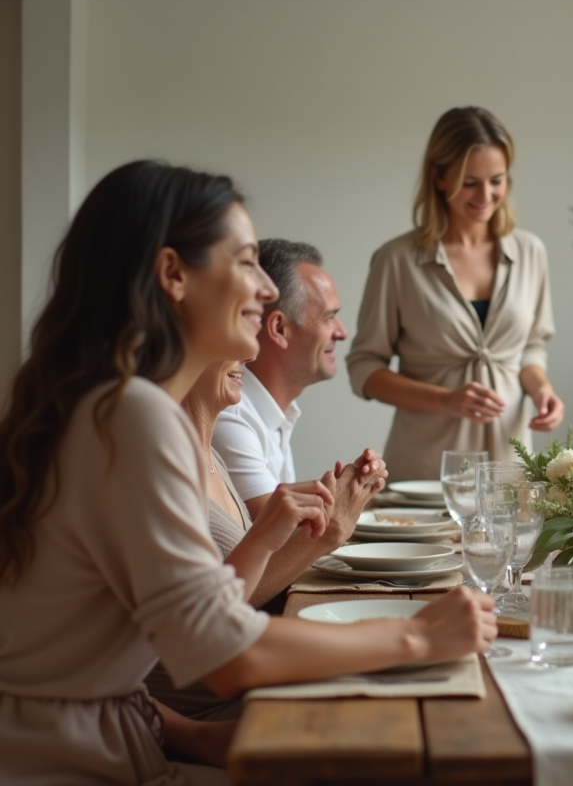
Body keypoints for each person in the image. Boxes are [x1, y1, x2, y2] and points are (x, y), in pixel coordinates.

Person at [0, 160, 496, 785]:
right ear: (173, 276)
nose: (266, 291)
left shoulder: (110, 407)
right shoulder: (131, 416)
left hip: (110, 742)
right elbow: (225, 653)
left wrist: (199, 737)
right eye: (245, 262)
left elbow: (97, 660)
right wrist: (417, 640)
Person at [145, 358, 385, 721]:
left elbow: (232, 593)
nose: (252, 353)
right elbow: (210, 631)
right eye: (241, 319)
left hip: (252, 690)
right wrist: (407, 638)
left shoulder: (210, 457)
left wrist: (334, 511)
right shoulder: (155, 467)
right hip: (220, 711)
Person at [347, 106, 563, 480]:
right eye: (469, 181)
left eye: (497, 180)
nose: (486, 195)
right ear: (439, 177)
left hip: (510, 470)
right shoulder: (396, 261)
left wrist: (542, 389)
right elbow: (364, 368)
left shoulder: (531, 252)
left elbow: (530, 348)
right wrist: (445, 400)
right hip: (426, 472)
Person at [212, 239, 351, 518]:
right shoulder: (232, 414)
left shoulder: (276, 413)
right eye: (329, 317)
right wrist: (344, 507)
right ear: (279, 328)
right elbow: (282, 544)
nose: (342, 332)